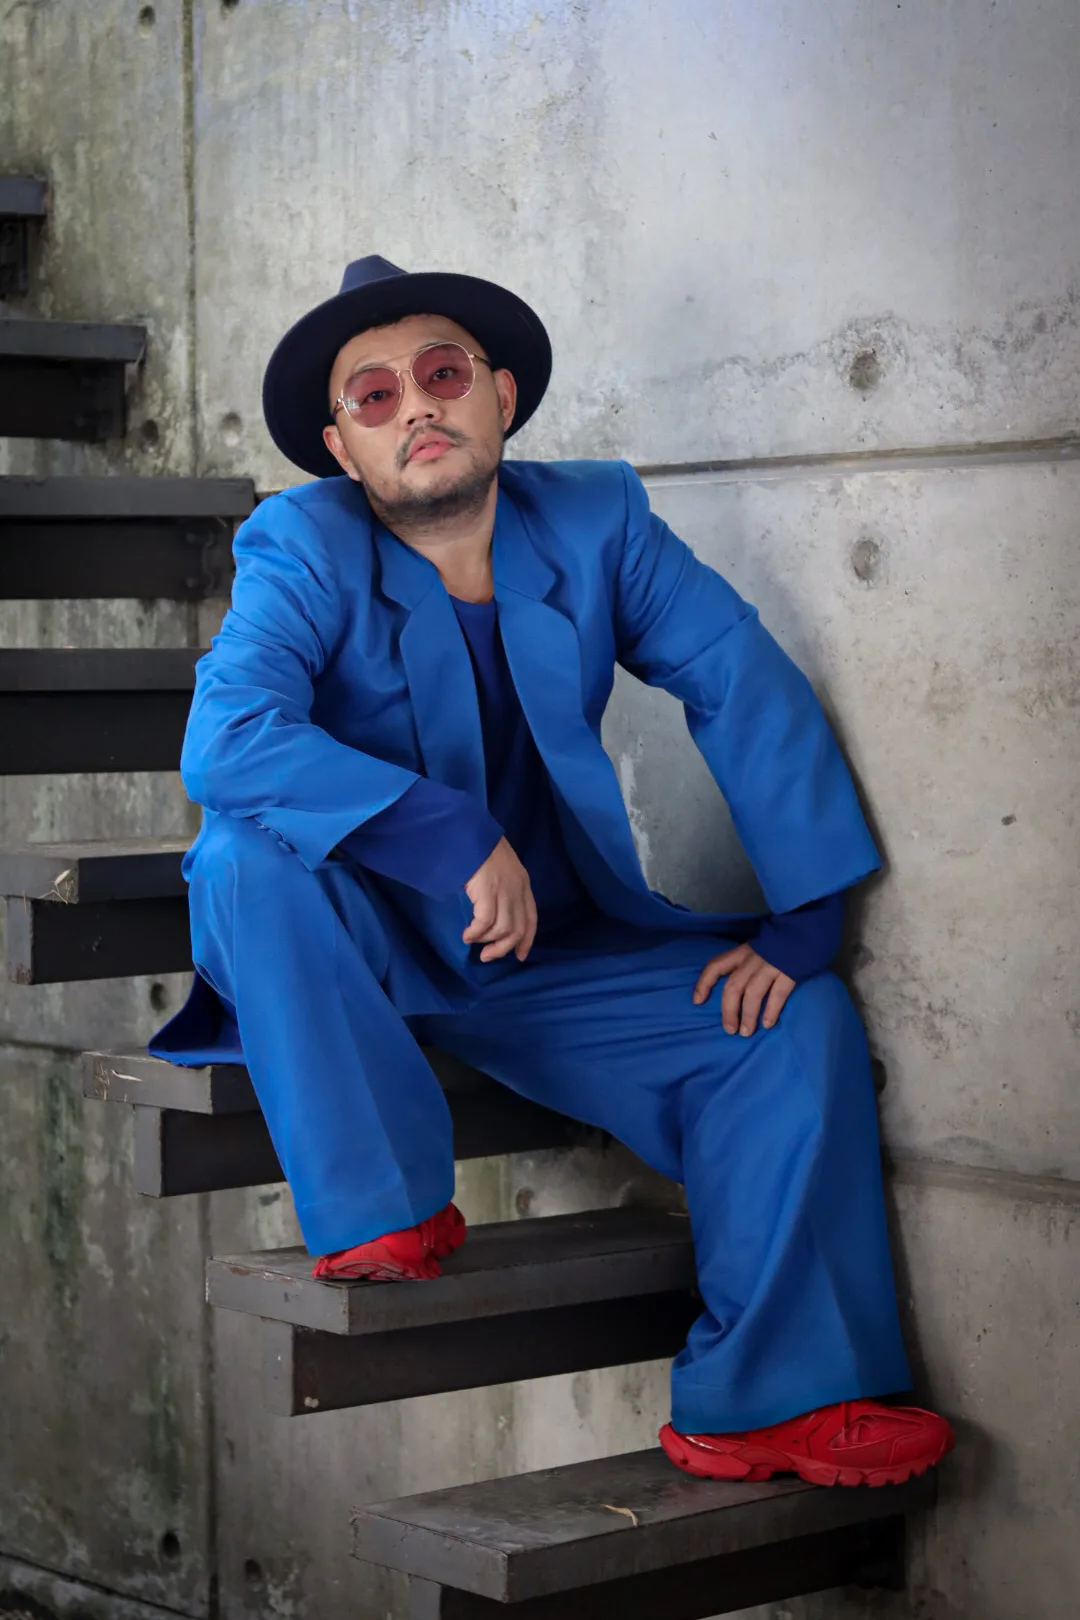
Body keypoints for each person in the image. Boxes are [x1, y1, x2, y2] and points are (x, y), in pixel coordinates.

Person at [151, 256, 954, 1488]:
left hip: (545, 950)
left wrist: (805, 914)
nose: (417, 408)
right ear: (341, 448)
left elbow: (735, 675)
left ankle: (768, 1401)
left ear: (502, 397)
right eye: (375, 396)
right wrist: (452, 835)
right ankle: (381, 1207)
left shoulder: (596, 520)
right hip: (355, 943)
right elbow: (227, 739)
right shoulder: (300, 545)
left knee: (795, 1022)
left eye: (443, 374)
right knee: (241, 853)